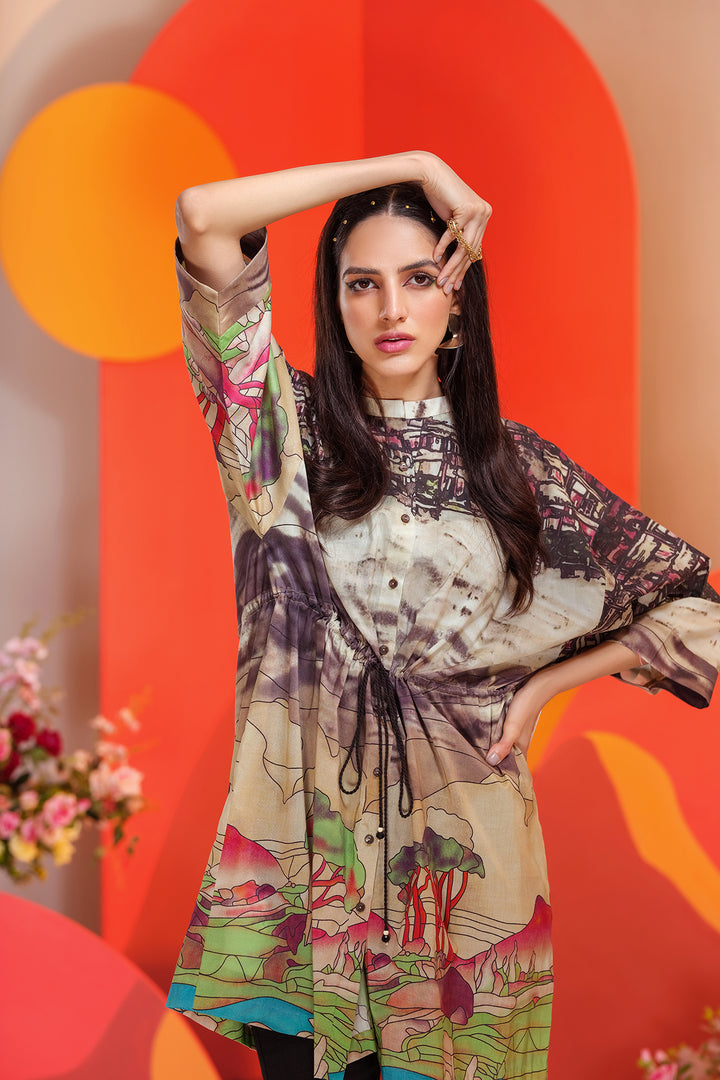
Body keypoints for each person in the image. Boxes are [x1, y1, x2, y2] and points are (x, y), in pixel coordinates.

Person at [166, 151, 720, 1080]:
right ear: (336, 306)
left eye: (420, 279)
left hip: (468, 890)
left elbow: (697, 607)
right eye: (362, 284)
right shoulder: (275, 433)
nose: (392, 308)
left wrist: (546, 686)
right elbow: (202, 215)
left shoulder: (519, 473)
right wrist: (415, 162)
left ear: (457, 304)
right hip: (304, 884)